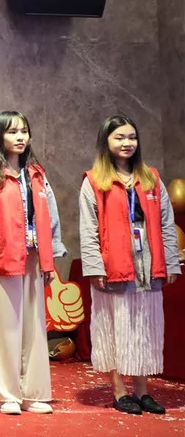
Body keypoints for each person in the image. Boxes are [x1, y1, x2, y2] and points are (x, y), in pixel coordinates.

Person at [79, 115, 180, 415]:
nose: (127, 143)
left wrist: (171, 262)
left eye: (132, 137)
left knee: (144, 328)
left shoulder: (151, 178)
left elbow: (167, 224)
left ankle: (142, 391)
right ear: (106, 141)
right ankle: (119, 391)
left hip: (147, 264)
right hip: (113, 265)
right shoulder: (94, 181)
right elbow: (88, 228)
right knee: (113, 327)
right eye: (119, 137)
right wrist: (94, 266)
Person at [0, 111, 67, 415]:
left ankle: (34, 392)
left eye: (24, 131)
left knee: (35, 328)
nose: (20, 137)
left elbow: (50, 218)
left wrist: (50, 260)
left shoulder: (36, 174)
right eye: (12, 132)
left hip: (34, 258)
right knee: (5, 329)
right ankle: (7, 394)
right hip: (3, 259)